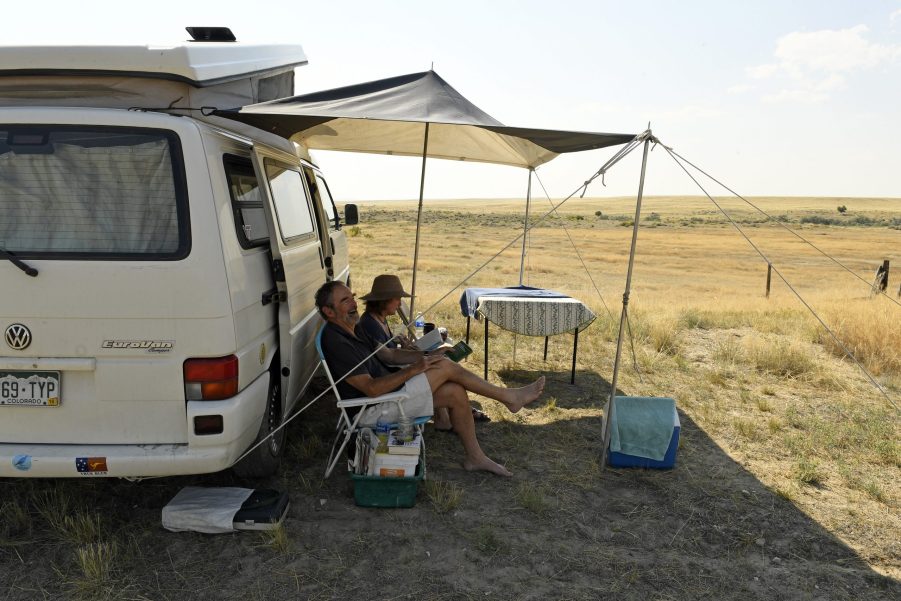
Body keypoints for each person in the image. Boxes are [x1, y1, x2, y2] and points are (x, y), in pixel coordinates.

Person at [315, 280, 545, 477]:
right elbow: (372, 389)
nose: (354, 304)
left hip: (391, 396)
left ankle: (475, 458)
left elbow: (390, 354)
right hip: (372, 411)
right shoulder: (337, 342)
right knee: (446, 367)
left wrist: (425, 355)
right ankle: (508, 397)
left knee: (455, 390)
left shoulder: (354, 329)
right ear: (329, 311)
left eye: (352, 297)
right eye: (345, 300)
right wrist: (414, 369)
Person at [356, 274, 491, 431]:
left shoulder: (380, 319)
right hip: (391, 380)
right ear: (384, 300)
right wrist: (428, 355)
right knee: (439, 366)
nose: (400, 303)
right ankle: (453, 415)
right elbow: (388, 357)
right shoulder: (369, 324)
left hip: (395, 372)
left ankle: (445, 417)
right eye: (397, 299)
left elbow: (389, 353)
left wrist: (407, 347)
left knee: (439, 365)